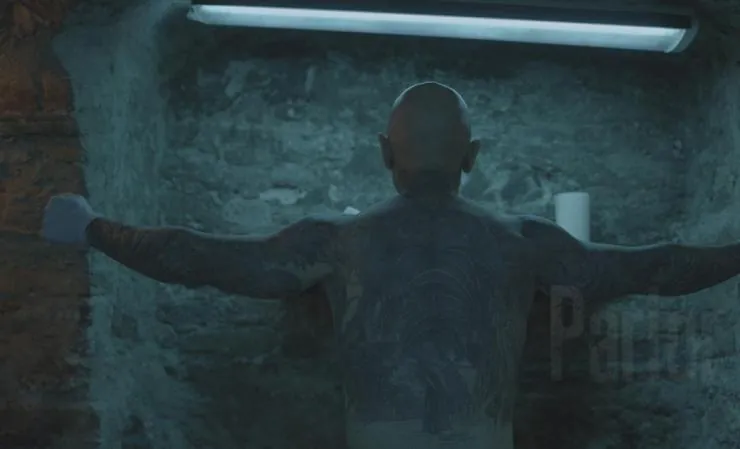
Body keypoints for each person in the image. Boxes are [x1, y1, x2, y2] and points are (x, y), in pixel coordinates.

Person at [42, 81, 740, 449]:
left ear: (383, 152)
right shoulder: (525, 241)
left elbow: (198, 257)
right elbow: (659, 269)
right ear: (473, 157)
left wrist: (93, 228)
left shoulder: (336, 242)